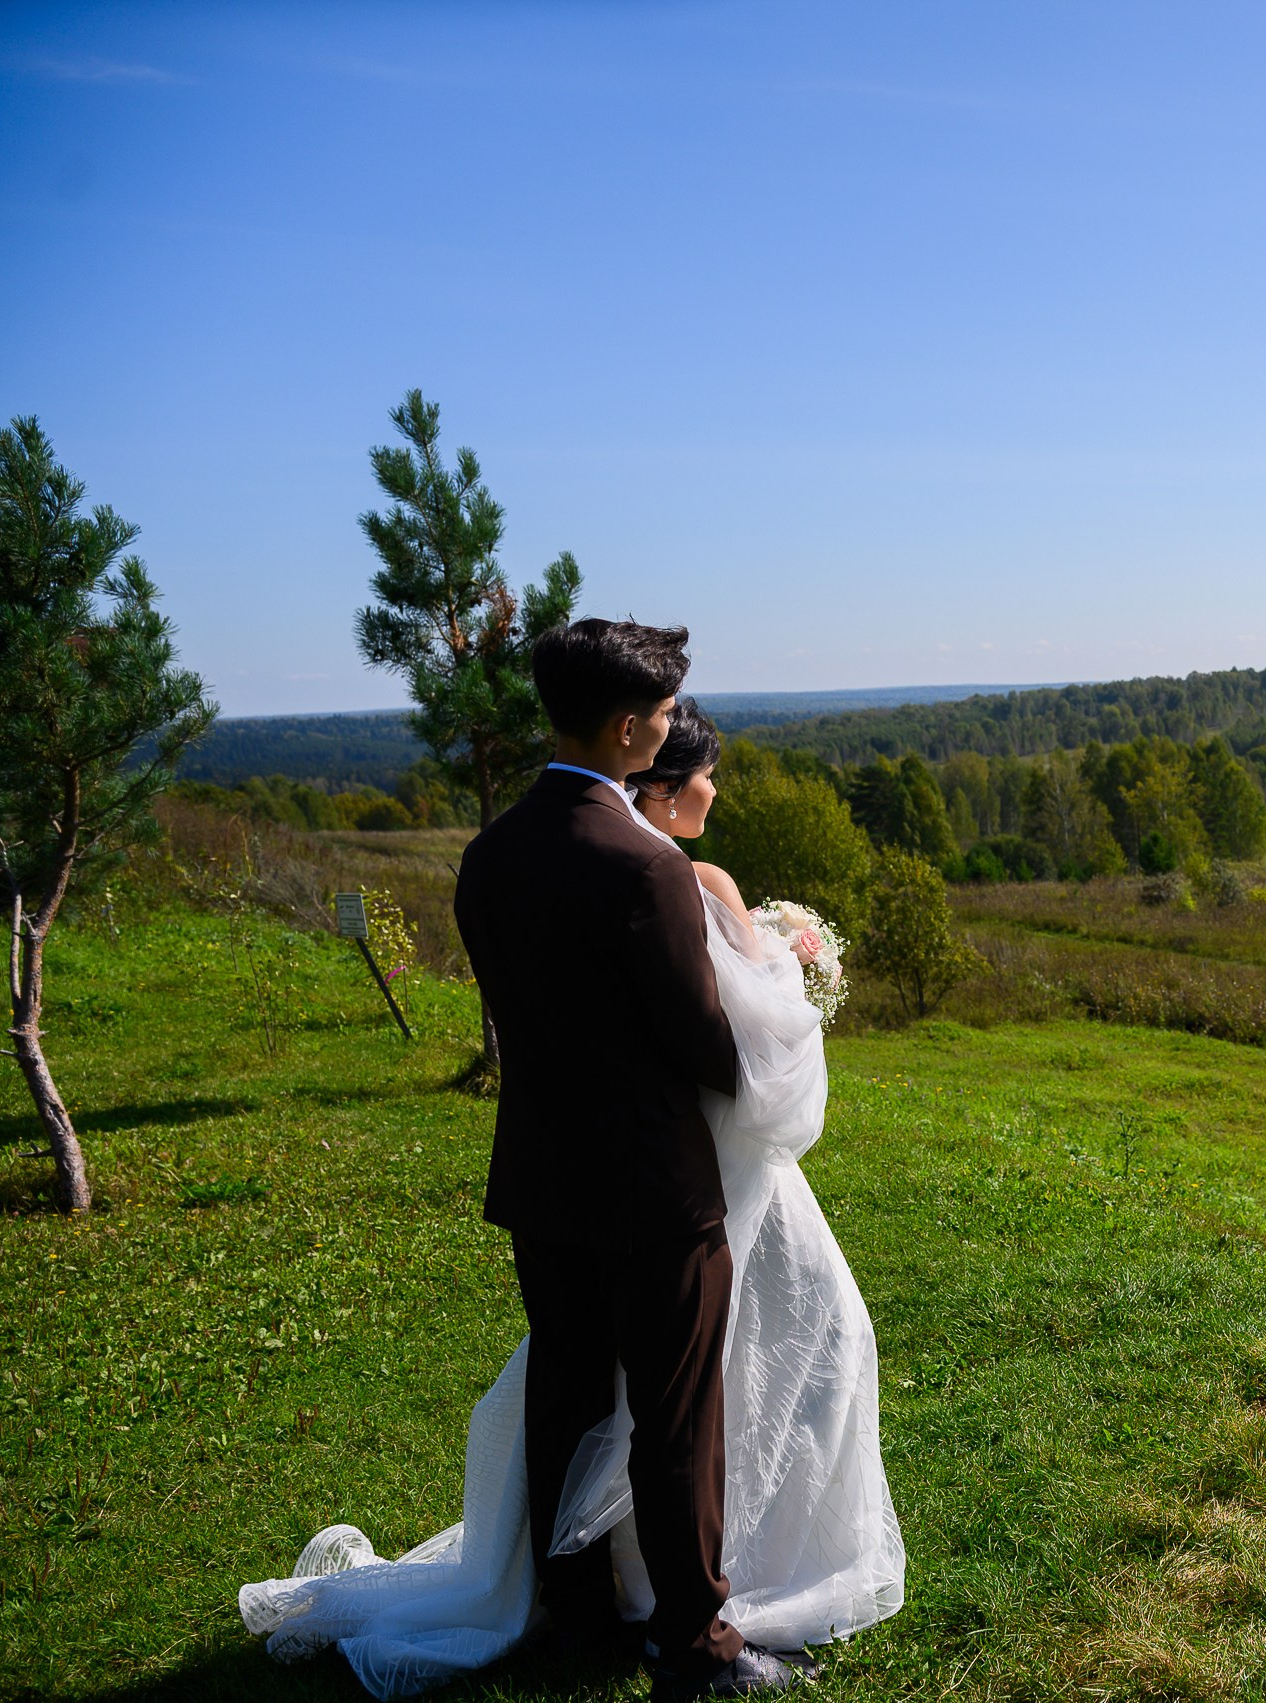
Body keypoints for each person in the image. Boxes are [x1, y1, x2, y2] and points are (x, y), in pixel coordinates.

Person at [240, 623, 900, 1699]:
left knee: (569, 1401)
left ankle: (577, 1611)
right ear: (633, 726)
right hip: (655, 1186)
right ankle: (694, 1644)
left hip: (543, 1178)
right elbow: (703, 1044)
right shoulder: (643, 864)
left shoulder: (488, 852)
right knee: (676, 1422)